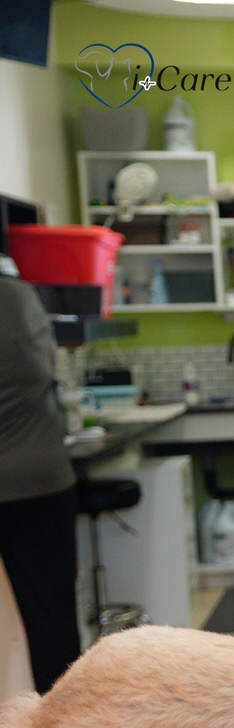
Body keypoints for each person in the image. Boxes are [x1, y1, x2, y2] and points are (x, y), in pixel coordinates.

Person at [0, 263, 81, 693]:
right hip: (41, 480)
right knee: (52, 621)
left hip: (29, 479)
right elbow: (48, 363)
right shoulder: (20, 296)